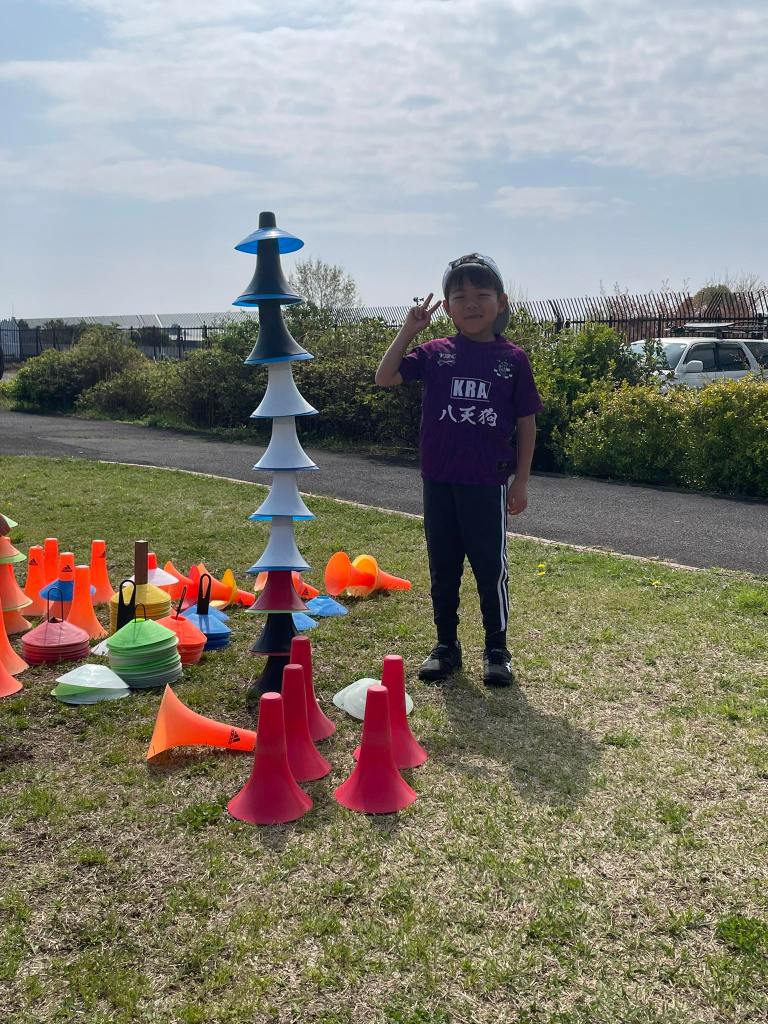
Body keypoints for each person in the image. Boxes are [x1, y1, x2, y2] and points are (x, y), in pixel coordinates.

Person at [375, 253, 543, 686]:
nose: (471, 303)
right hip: (439, 481)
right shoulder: (435, 353)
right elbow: (385, 377)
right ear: (447, 307)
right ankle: (446, 646)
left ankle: (497, 650)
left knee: (491, 569)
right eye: (460, 296)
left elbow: (527, 422)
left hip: (487, 484)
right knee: (443, 567)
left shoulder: (512, 359)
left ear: (501, 302)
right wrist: (409, 330)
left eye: (481, 294)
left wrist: (521, 481)